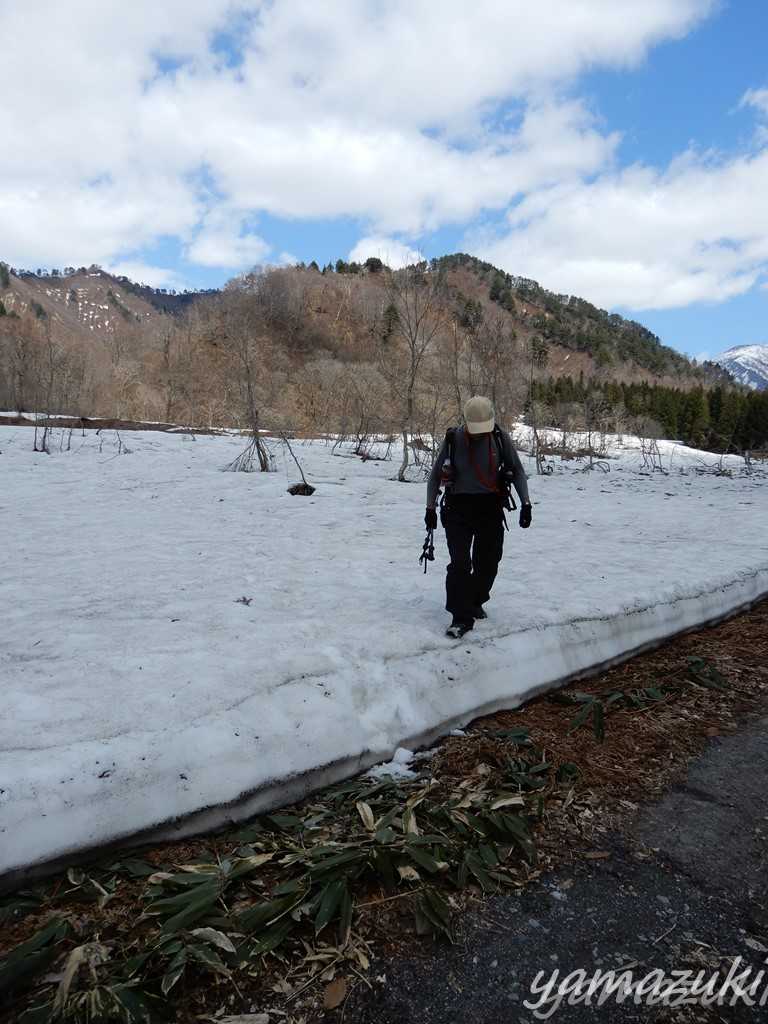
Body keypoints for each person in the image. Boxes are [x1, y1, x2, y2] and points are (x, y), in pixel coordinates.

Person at [425, 396, 532, 638]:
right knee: (460, 564)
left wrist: (526, 504)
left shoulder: (500, 438)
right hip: (457, 507)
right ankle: (460, 617)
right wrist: (430, 508)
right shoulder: (453, 439)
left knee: (488, 562)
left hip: (490, 507)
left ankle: (475, 600)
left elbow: (517, 471)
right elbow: (435, 476)